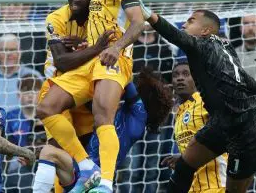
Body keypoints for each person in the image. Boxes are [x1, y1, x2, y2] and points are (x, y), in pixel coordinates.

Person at [36, 0, 146, 193]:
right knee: (47, 107)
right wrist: (87, 44)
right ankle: (87, 167)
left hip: (113, 59)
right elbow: (105, 26)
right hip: (92, 61)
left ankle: (106, 184)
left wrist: (116, 48)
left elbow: (138, 22)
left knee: (102, 117)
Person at [141, 6, 256, 192]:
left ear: (205, 31)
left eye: (191, 21)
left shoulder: (201, 44)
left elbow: (175, 35)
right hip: (225, 123)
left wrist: (149, 16)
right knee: (184, 166)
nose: (184, 24)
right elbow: (244, 77)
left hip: (246, 131)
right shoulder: (226, 47)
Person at [33, 67, 173, 193]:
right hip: (83, 173)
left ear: (146, 95)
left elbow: (124, 78)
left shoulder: (139, 114)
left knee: (49, 152)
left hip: (95, 178)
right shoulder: (124, 116)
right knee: (48, 152)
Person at [161, 62, 227, 192]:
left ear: (196, 78)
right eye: (176, 75)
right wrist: (183, 158)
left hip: (215, 186)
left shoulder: (205, 101)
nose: (180, 78)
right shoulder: (179, 114)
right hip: (192, 188)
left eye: (186, 74)